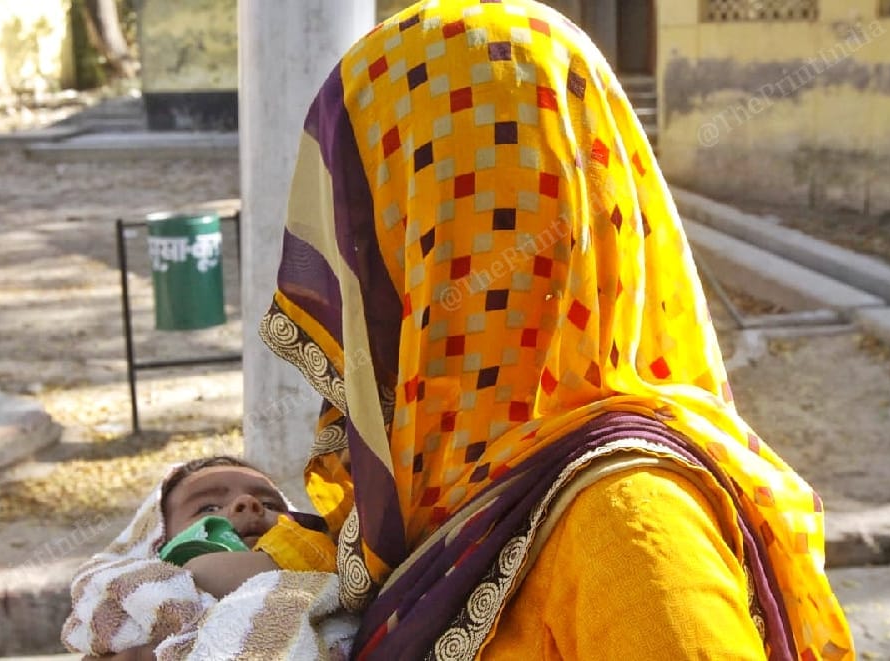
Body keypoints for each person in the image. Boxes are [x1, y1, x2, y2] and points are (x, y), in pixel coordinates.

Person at [259, 0, 855, 658]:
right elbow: (345, 565)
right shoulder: (443, 476)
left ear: (424, 243)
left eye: (361, 225)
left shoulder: (626, 533)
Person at [61, 456, 357, 661]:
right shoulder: (155, 581)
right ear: (158, 541)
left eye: (268, 503)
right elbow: (202, 573)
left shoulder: (321, 560)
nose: (247, 504)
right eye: (209, 507)